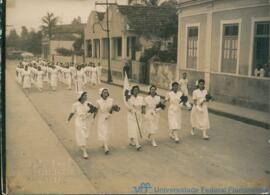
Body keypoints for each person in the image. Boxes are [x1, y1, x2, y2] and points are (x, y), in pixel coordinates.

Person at [67, 91, 97, 159]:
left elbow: (95, 110)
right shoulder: (75, 105)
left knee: (86, 136)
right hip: (79, 121)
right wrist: (68, 120)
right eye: (84, 95)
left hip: (87, 121)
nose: (86, 97)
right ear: (80, 97)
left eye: (86, 95)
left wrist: (93, 118)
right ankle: (84, 151)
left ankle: (82, 146)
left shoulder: (89, 103)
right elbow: (72, 113)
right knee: (82, 135)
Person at [96, 88, 120, 154]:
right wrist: (92, 118)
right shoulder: (98, 102)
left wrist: (116, 108)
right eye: (104, 93)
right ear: (101, 94)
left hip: (109, 117)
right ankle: (106, 147)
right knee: (104, 130)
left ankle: (104, 143)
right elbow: (96, 110)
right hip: (102, 118)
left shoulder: (111, 100)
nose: (106, 94)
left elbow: (114, 109)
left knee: (108, 131)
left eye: (106, 92)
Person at [125, 85, 145, 150]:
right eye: (134, 90)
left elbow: (143, 105)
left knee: (136, 128)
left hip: (139, 115)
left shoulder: (141, 98)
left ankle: (131, 140)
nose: (136, 91)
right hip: (132, 115)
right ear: (132, 91)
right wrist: (132, 110)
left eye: (137, 90)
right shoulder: (129, 98)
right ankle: (137, 144)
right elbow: (128, 107)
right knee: (134, 128)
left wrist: (143, 110)